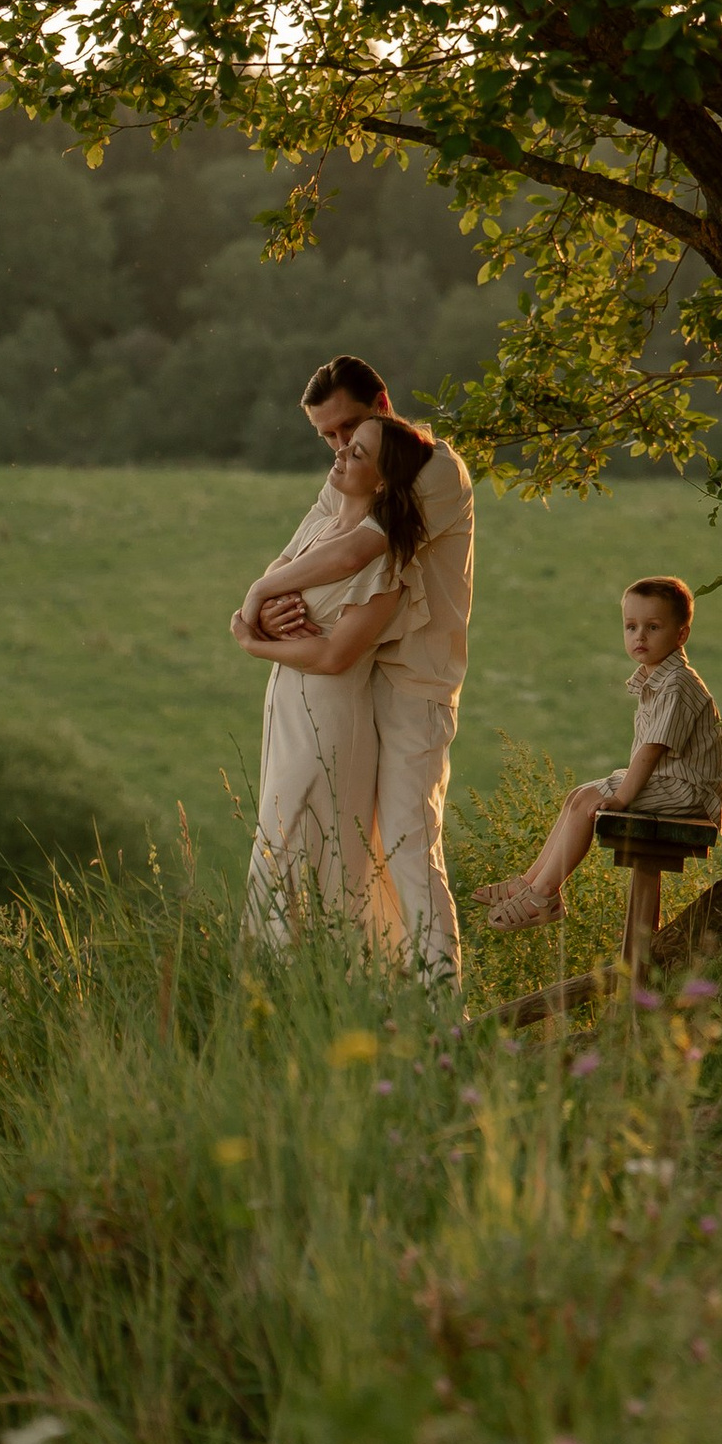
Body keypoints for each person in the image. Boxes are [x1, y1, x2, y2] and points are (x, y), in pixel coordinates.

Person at [235, 354, 475, 980]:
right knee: (349, 847)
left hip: (414, 680)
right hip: (358, 677)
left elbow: (354, 554)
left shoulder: (431, 468)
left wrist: (259, 601)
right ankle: (374, 987)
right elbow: (297, 553)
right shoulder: (349, 473)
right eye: (329, 436)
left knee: (406, 844)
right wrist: (268, 605)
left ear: (382, 405)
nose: (340, 446)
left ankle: (442, 1001)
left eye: (349, 427)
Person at [237, 411, 418, 942]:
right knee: (276, 851)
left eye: (357, 452)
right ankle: (270, 984)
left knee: (307, 858)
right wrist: (263, 614)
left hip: (328, 722)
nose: (340, 452)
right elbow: (273, 584)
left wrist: (254, 643)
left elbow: (337, 655)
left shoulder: (384, 561)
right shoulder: (321, 529)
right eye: (345, 444)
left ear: (382, 482)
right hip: (287, 712)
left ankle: (316, 977)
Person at [478, 573, 722, 933]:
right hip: (670, 783)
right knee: (578, 796)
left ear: (681, 634)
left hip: (689, 792)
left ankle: (544, 895)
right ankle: (528, 883)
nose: (640, 636)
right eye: (631, 627)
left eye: (653, 627)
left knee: (590, 803)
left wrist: (622, 798)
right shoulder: (657, 679)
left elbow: (652, 750)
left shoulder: (677, 685)